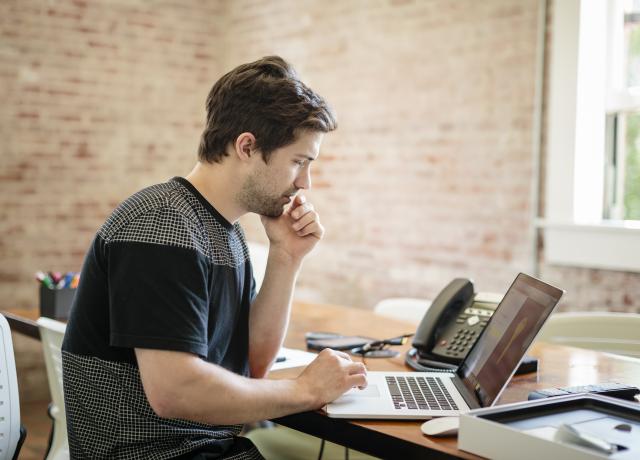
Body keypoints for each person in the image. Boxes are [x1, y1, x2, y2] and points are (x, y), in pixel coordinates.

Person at [61, 56, 368, 459]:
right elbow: (175, 392)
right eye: (298, 162)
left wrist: (286, 257)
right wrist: (305, 390)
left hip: (202, 449)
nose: (305, 183)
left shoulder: (225, 232)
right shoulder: (162, 225)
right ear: (247, 146)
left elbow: (252, 366)